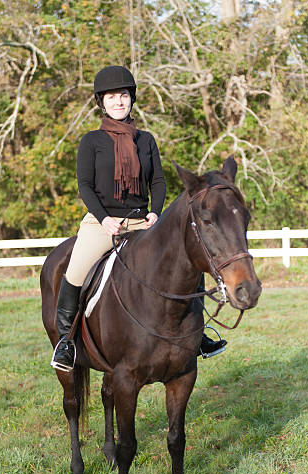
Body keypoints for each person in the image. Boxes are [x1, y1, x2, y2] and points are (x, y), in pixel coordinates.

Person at [51, 65, 226, 372]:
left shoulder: (146, 140)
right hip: (102, 223)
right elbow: (85, 186)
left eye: (123, 95)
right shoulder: (91, 142)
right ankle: (65, 342)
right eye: (111, 97)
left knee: (183, 263)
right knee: (76, 271)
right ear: (101, 103)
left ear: (131, 99)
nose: (118, 102)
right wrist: (104, 219)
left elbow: (158, 181)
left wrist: (155, 213)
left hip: (142, 222)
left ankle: (199, 337)